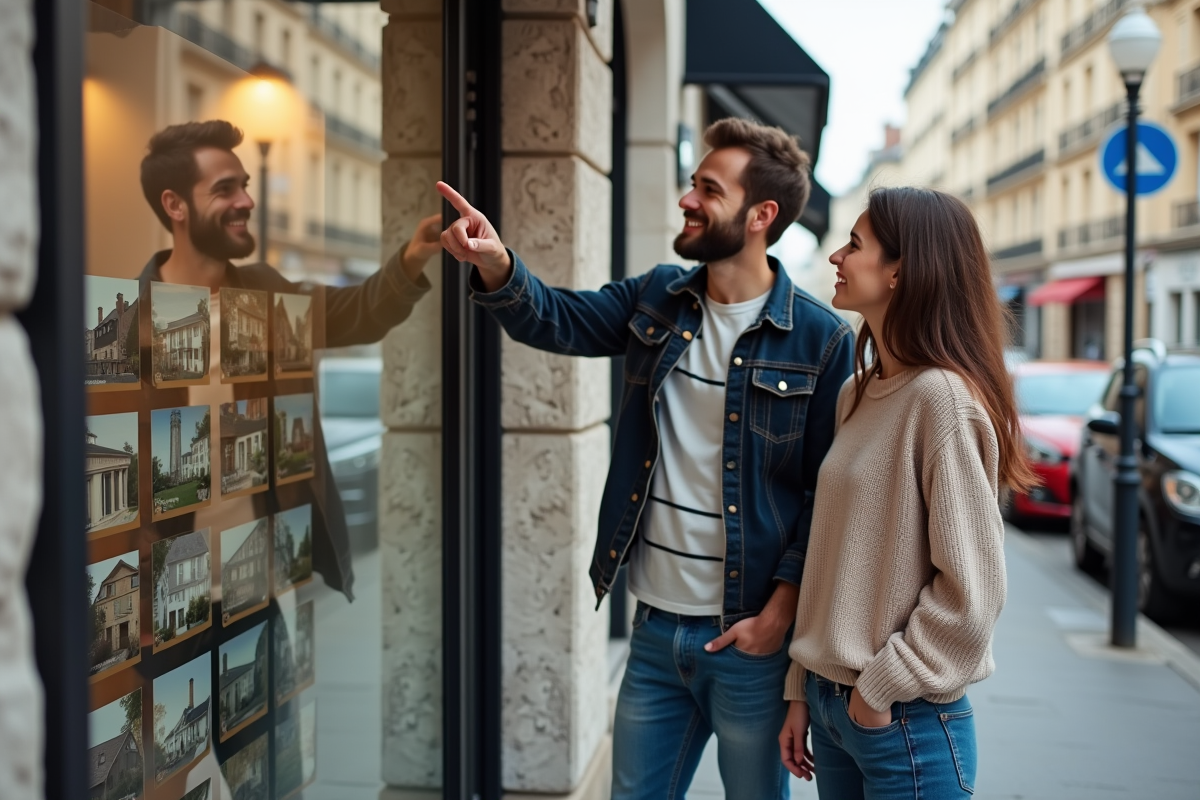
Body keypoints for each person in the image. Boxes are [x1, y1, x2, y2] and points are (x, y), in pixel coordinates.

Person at [438, 117, 855, 799]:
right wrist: (496, 263)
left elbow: (824, 496)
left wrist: (778, 616)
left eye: (709, 190)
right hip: (654, 632)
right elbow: (558, 318)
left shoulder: (820, 339)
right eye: (693, 184)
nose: (688, 200)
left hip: (748, 642)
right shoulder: (659, 296)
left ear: (761, 215)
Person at [778, 187, 1036, 799]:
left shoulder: (941, 401)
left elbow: (973, 592)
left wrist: (877, 690)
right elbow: (831, 555)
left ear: (901, 271)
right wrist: (801, 686)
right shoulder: (858, 391)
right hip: (834, 706)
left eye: (856, 244)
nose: (837, 257)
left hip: (902, 718)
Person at [137, 119, 442, 598]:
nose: (246, 201)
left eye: (245, 186)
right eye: (224, 189)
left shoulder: (266, 292)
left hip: (264, 585)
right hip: (172, 600)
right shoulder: (133, 327)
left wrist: (411, 258)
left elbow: (356, 313)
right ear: (174, 205)